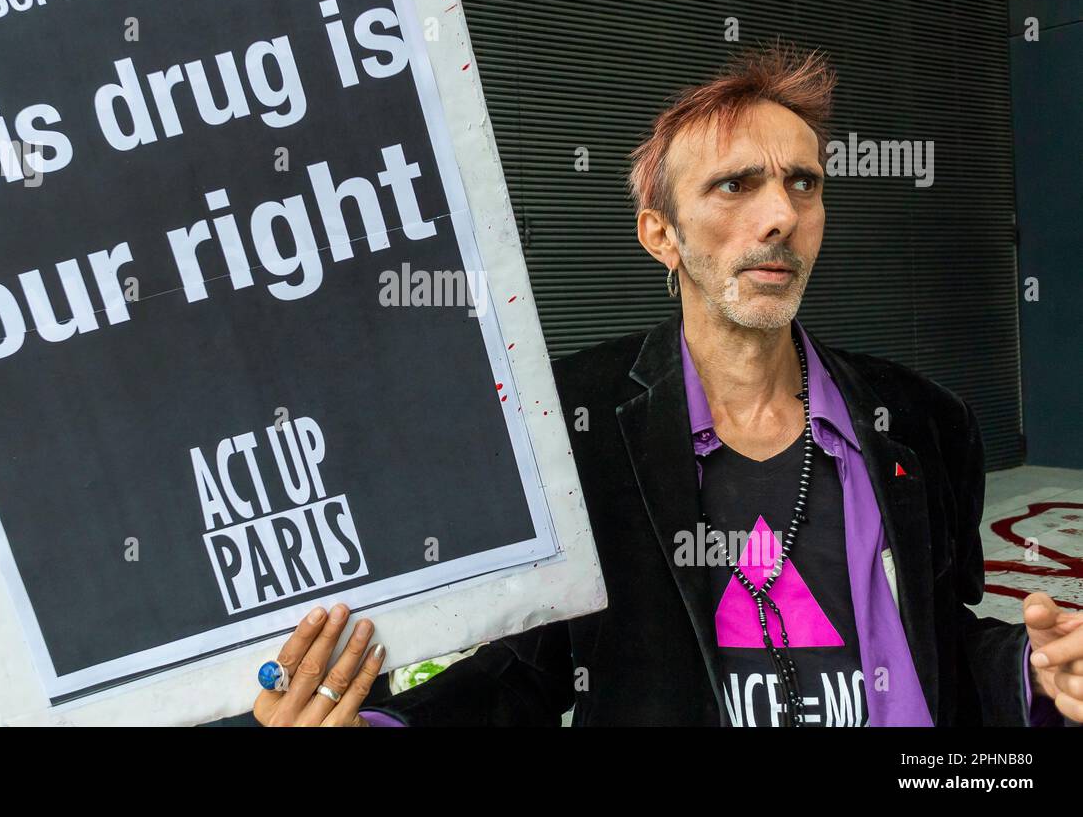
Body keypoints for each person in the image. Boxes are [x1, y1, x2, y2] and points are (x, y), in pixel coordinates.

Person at [249, 43, 1083, 727]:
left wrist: (1040, 675)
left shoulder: (926, 419)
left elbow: (940, 639)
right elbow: (529, 663)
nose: (780, 215)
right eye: (735, 185)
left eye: (804, 183)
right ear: (661, 235)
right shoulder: (574, 420)